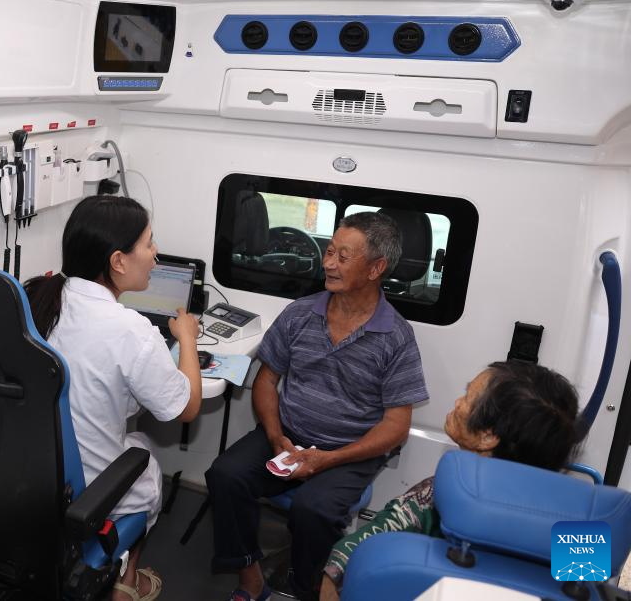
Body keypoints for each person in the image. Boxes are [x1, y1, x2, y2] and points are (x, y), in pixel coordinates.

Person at [207, 212, 428, 601]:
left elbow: (396, 426)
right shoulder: (300, 313)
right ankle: (250, 578)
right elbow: (266, 381)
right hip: (288, 436)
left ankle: (306, 588)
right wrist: (275, 436)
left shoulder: (396, 336)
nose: (328, 264)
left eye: (343, 257)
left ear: (376, 268)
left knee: (313, 510)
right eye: (329, 251)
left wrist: (329, 459)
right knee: (225, 475)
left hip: (349, 452)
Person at [24, 195, 203, 601]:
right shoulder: (132, 330)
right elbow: (187, 406)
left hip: (29, 472)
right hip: (83, 489)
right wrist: (187, 338)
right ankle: (126, 582)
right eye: (149, 243)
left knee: (133, 439)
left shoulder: (40, 299)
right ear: (118, 261)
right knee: (145, 461)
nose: (156, 254)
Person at [320, 360, 580, 600]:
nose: (457, 402)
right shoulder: (582, 521)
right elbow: (585, 589)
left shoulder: (437, 495)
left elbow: (349, 558)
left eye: (467, 397)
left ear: (488, 437)